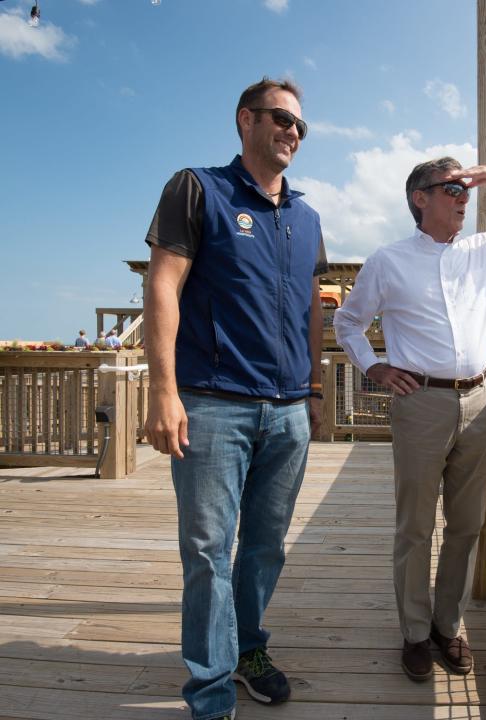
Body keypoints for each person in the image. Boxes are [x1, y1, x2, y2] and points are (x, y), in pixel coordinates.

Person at [334, 157, 486, 681]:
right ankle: (415, 633)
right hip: (420, 402)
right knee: (414, 525)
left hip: (481, 400)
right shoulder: (388, 261)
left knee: (465, 524)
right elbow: (348, 322)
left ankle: (448, 625)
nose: (463, 196)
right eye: (451, 188)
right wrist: (375, 366)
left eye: (465, 187)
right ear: (419, 198)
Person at [142, 77, 327, 720]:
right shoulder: (197, 187)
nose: (293, 132)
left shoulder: (307, 217)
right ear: (246, 119)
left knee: (266, 545)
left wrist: (313, 387)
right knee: (207, 549)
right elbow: (162, 286)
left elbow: (309, 307)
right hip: (212, 403)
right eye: (281, 118)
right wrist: (163, 391)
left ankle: (248, 650)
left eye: (301, 125)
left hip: (287, 410)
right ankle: (212, 690)